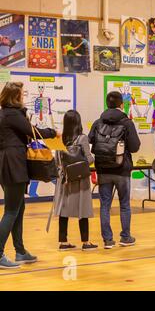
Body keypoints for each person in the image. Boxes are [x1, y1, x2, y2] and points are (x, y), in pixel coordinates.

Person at [0, 82, 57, 269]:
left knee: (18, 209)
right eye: (22, 94)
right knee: (11, 211)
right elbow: (34, 132)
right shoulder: (12, 114)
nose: (24, 96)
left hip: (7, 163)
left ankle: (20, 251)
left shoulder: (4, 114)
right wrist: (54, 132)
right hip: (13, 164)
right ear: (15, 97)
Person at [89, 91, 141, 249]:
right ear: (121, 104)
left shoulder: (98, 122)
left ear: (107, 103)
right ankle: (125, 237)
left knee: (105, 204)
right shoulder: (127, 122)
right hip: (122, 169)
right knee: (124, 204)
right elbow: (134, 147)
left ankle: (108, 240)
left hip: (103, 169)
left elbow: (90, 141)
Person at [53, 110, 97, 251]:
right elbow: (89, 159)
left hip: (65, 178)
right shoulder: (82, 138)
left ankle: (63, 242)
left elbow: (57, 161)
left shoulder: (60, 139)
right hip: (80, 180)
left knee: (63, 209)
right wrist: (92, 158)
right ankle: (86, 241)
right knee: (83, 209)